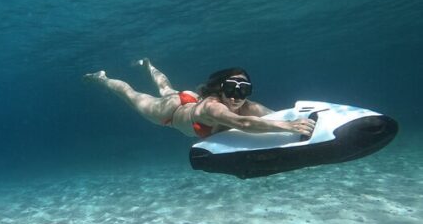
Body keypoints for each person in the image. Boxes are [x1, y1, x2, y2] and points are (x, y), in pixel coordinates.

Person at [83, 58, 315, 138]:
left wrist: (295, 118)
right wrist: (288, 126)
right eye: (232, 89)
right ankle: (103, 78)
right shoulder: (214, 108)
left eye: (243, 90)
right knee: (130, 94)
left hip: (189, 101)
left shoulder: (246, 105)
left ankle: (149, 64)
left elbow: (272, 116)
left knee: (167, 87)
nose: (237, 97)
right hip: (168, 113)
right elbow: (243, 123)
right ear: (220, 89)